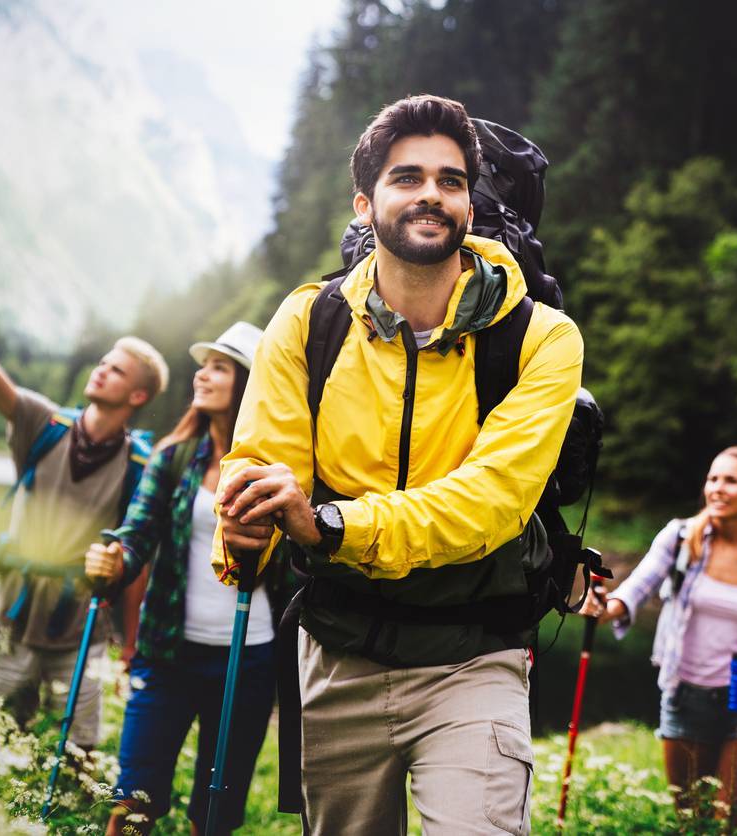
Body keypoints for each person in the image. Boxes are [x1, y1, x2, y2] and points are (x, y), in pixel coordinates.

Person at [213, 95, 584, 834]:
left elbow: (487, 505)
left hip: (473, 658)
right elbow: (262, 459)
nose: (429, 195)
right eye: (406, 176)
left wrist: (324, 524)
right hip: (336, 655)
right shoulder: (307, 319)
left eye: (450, 181)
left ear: (469, 204)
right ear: (365, 201)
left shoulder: (541, 339)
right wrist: (244, 530)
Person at [0, 269, 168, 751]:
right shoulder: (40, 424)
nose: (101, 369)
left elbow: (138, 559)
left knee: (81, 749)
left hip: (83, 623)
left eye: (117, 370)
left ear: (137, 396)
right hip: (16, 616)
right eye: (103, 362)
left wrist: (129, 645)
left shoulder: (140, 466)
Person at [84, 322, 277, 836]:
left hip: (246, 656)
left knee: (215, 810)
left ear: (251, 383)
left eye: (219, 367)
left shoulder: (281, 466)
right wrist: (113, 560)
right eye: (203, 363)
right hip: (166, 651)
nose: (202, 374)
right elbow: (137, 533)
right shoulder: (173, 458)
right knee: (133, 798)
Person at [580, 444, 737, 825]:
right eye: (713, 478)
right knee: (692, 822)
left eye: (730, 480)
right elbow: (637, 589)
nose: (717, 488)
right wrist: (606, 607)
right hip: (684, 700)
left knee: (730, 823)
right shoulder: (680, 539)